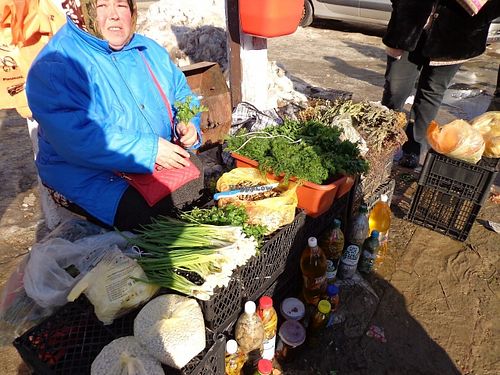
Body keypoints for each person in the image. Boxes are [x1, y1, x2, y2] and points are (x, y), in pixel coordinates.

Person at [26, 0, 205, 231]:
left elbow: (181, 92)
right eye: (101, 7)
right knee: (140, 212)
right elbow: (76, 137)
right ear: (82, 12)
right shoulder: (56, 64)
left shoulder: (147, 50)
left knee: (195, 175)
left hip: (143, 159)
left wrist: (188, 122)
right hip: (84, 169)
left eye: (121, 5)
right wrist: (148, 150)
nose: (114, 16)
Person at [381, 0, 500, 168]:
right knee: (395, 87)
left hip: (457, 33)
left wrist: (480, 18)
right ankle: (383, 139)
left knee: (432, 90)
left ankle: (414, 147)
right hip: (409, 26)